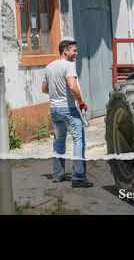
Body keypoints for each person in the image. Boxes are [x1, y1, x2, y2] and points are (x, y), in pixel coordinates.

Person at [42, 39, 93, 187]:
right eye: (74, 50)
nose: (76, 53)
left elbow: (44, 89)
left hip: (54, 109)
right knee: (78, 139)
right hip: (68, 109)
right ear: (65, 51)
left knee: (59, 140)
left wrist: (56, 92)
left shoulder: (49, 67)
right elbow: (72, 86)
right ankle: (78, 177)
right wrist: (81, 102)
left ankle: (58, 175)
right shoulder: (69, 66)